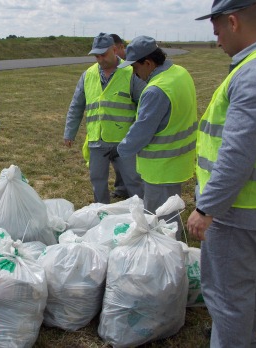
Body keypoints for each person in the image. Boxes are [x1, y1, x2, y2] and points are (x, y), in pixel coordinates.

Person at [187, 0, 256, 346]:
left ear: (233, 22)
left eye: (216, 29)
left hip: (234, 208)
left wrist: (207, 208)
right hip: (253, 203)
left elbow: (237, 152)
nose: (216, 39)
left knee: (225, 296)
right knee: (244, 285)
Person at [116, 35, 198, 240]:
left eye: (135, 69)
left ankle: (168, 259)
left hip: (160, 168)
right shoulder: (180, 73)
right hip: (178, 161)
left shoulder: (155, 90)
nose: (135, 75)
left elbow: (142, 130)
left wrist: (120, 149)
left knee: (160, 219)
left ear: (149, 63)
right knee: (171, 209)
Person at [64, 32, 145, 204]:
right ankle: (102, 214)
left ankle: (142, 214)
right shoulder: (88, 75)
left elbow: (143, 104)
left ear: (114, 49)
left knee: (133, 180)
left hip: (124, 141)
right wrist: (69, 132)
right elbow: (76, 106)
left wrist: (139, 136)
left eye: (104, 54)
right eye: (96, 55)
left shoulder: (130, 72)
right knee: (97, 181)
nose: (100, 59)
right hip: (96, 140)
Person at [110, 33, 128, 199]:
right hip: (114, 127)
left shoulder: (131, 65)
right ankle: (122, 188)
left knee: (128, 162)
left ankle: (133, 191)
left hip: (128, 126)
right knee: (117, 160)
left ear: (121, 47)